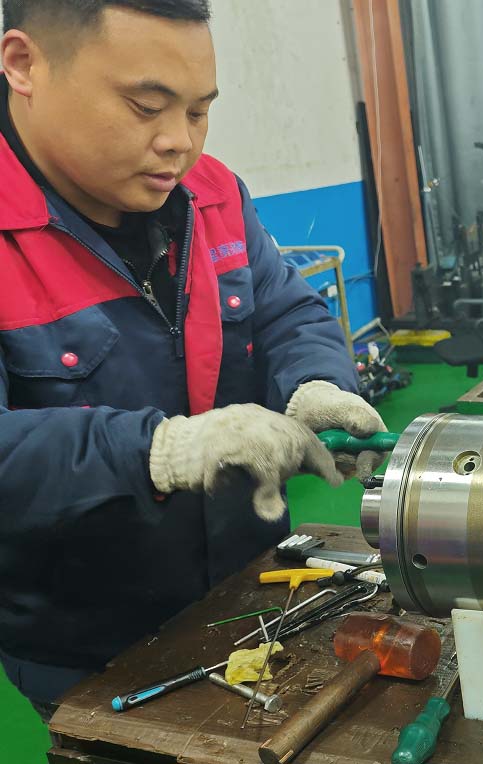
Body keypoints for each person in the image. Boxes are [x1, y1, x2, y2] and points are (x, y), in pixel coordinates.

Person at [0, 0, 386, 715]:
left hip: (253, 588)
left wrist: (314, 383)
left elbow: (286, 310)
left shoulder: (212, 195)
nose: (179, 143)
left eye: (200, 110)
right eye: (146, 107)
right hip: (89, 647)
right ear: (25, 65)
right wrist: (160, 452)